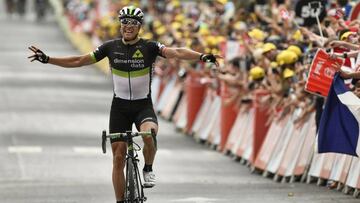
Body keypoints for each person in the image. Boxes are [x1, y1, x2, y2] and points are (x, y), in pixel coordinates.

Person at [28, 6, 221, 203]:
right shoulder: (110, 47)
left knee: (149, 134)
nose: (128, 26)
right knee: (118, 158)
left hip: (142, 106)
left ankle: (148, 168)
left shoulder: (150, 47)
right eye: (125, 22)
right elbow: (79, 60)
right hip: (119, 108)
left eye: (133, 23)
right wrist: (48, 59)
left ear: (139, 27)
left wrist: (202, 56)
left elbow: (177, 52)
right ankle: (120, 200)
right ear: (120, 25)